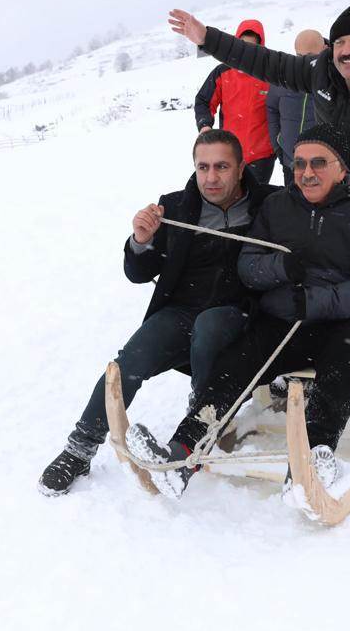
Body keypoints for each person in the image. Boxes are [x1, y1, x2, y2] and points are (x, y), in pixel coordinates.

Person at [169, 2, 350, 409]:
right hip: (326, 193)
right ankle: (294, 363)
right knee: (308, 276)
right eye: (340, 42)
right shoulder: (322, 71)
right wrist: (207, 38)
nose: (347, 50)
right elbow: (264, 62)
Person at [126, 125, 350, 497]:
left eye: (319, 162)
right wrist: (281, 273)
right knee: (234, 367)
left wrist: (314, 302)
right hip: (285, 319)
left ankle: (314, 458)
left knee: (342, 365)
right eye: (299, 163)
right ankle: (182, 452)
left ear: (341, 167)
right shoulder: (278, 206)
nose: (307, 172)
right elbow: (248, 264)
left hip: (343, 322)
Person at [37, 130, 280, 496]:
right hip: (181, 310)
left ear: (241, 167)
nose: (211, 177)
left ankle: (202, 415)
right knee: (127, 363)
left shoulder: (270, 203)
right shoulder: (174, 206)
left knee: (209, 326)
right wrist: (141, 241)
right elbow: (138, 273)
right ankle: (80, 446)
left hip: (238, 313)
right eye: (203, 167)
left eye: (221, 167)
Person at [195, 19, 276, 184]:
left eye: (252, 46)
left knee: (255, 203)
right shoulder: (222, 72)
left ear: (260, 46)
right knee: (229, 200)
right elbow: (203, 100)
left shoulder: (269, 74)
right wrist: (205, 125)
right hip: (228, 153)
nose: (246, 50)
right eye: (242, 44)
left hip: (262, 156)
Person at [266, 30, 325, 185]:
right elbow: (271, 108)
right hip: (290, 162)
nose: (304, 62)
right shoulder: (284, 76)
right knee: (293, 207)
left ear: (323, 51)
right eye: (300, 56)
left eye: (310, 56)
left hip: (323, 166)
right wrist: (278, 144)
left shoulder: (335, 78)